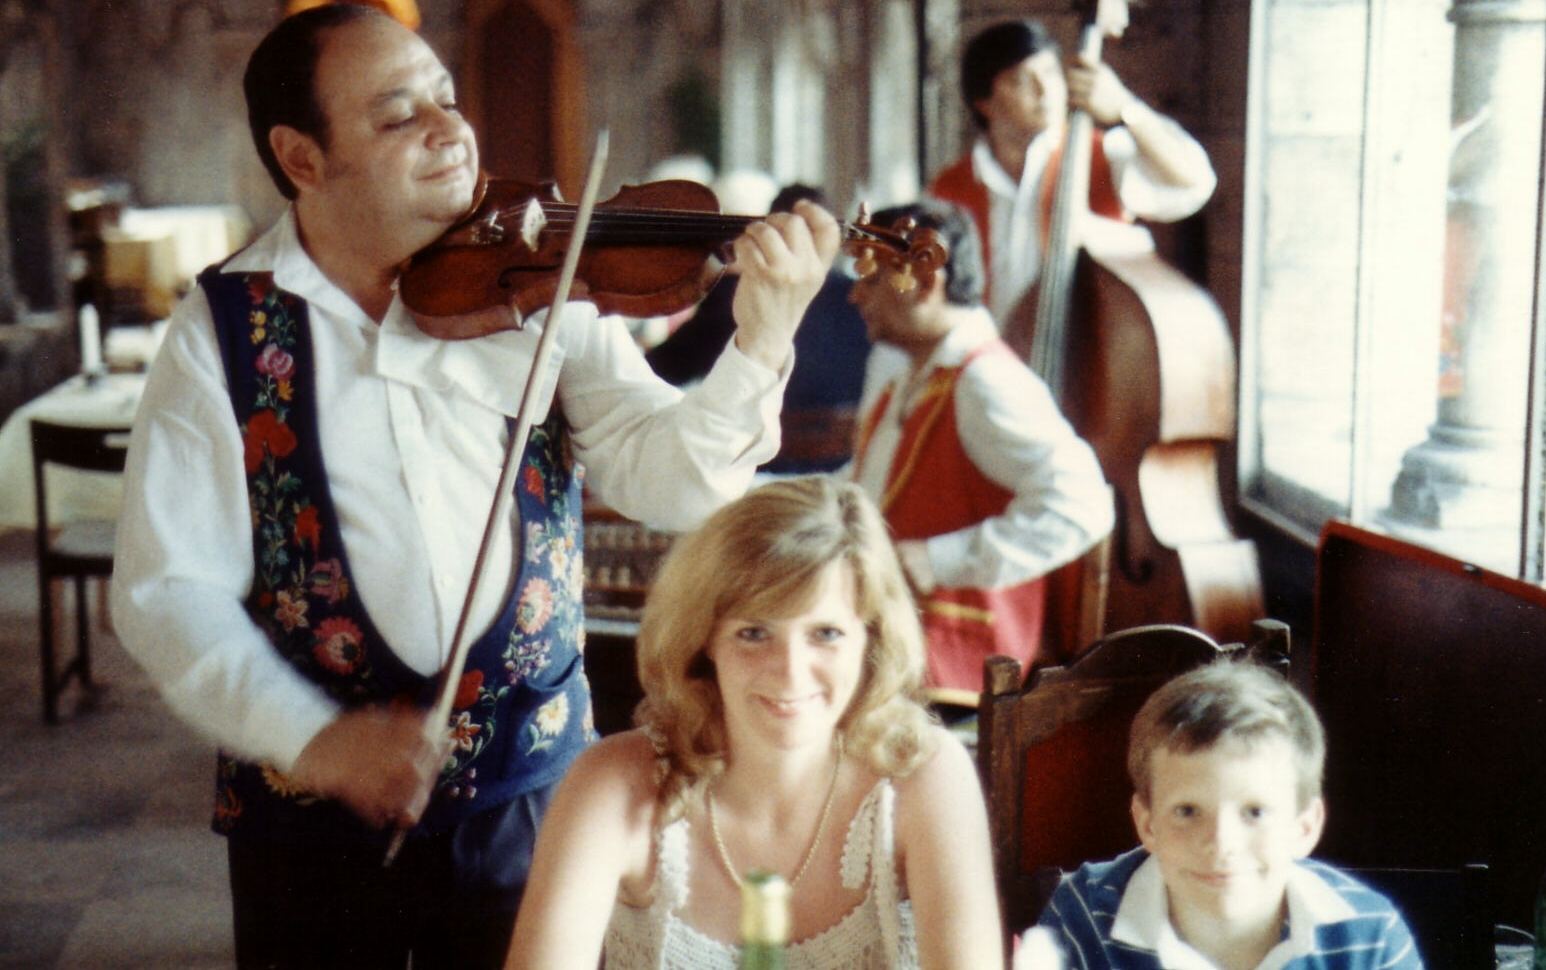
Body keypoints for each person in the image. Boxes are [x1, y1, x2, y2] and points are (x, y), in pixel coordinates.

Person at [108, 2, 838, 969]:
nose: (450, 129)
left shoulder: (539, 276)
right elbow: (167, 593)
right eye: (398, 114)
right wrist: (317, 739)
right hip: (307, 822)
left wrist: (764, 339)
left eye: (446, 99)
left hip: (533, 789)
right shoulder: (222, 332)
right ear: (303, 157)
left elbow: (671, 481)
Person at [503, 476, 1004, 969]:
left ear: (869, 640)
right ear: (705, 639)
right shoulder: (611, 784)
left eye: (825, 633)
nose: (789, 671)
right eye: (754, 632)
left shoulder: (927, 775)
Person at [846, 200, 1114, 708]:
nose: (856, 295)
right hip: (898, 645)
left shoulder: (985, 380)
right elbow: (871, 488)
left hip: (953, 667)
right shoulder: (912, 375)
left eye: (872, 278)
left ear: (926, 283)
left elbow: (1084, 506)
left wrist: (938, 559)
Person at [1018, 660, 1423, 970]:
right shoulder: (1084, 914)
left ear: (1305, 826)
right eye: (1188, 810)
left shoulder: (1369, 935)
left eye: (1255, 811)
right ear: (1147, 823)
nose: (1221, 844)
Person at [928, 16, 1216, 337]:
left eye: (1051, 73)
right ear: (984, 103)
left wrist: (1126, 108)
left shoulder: (1101, 154)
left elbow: (1194, 181)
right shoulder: (947, 188)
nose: (1045, 90)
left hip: (1092, 362)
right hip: (991, 366)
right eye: (1022, 80)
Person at [648, 183, 873, 473]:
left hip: (758, 469)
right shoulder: (857, 298)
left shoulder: (735, 293)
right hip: (844, 469)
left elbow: (663, 371)